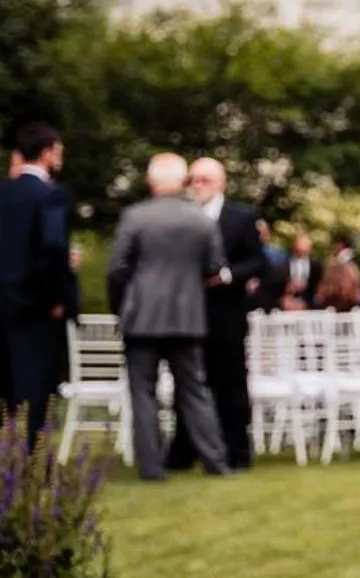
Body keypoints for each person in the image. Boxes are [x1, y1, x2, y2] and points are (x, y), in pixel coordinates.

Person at [109, 153, 232, 481]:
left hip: (142, 317)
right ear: (183, 181)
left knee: (143, 392)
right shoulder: (200, 220)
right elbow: (214, 268)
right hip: (187, 316)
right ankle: (215, 462)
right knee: (194, 390)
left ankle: (151, 467)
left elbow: (117, 268)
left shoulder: (135, 217)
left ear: (151, 181)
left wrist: (122, 306)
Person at [0, 122, 77, 450]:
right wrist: (59, 298)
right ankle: (29, 464)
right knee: (33, 394)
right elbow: (52, 251)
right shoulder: (50, 196)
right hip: (34, 311)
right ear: (48, 153)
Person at [169, 157, 267, 471]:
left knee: (231, 386)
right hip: (188, 312)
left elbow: (258, 262)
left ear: (221, 183)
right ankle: (184, 452)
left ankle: (236, 452)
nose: (197, 185)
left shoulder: (242, 217)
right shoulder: (181, 216)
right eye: (193, 180)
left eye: (204, 180)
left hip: (226, 314)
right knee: (186, 384)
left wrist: (226, 275)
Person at [282, 233, 318, 309]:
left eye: (304, 251)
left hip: (309, 304)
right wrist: (288, 285)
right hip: (288, 302)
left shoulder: (316, 266)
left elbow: (317, 286)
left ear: (310, 249)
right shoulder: (284, 263)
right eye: (298, 250)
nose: (301, 253)